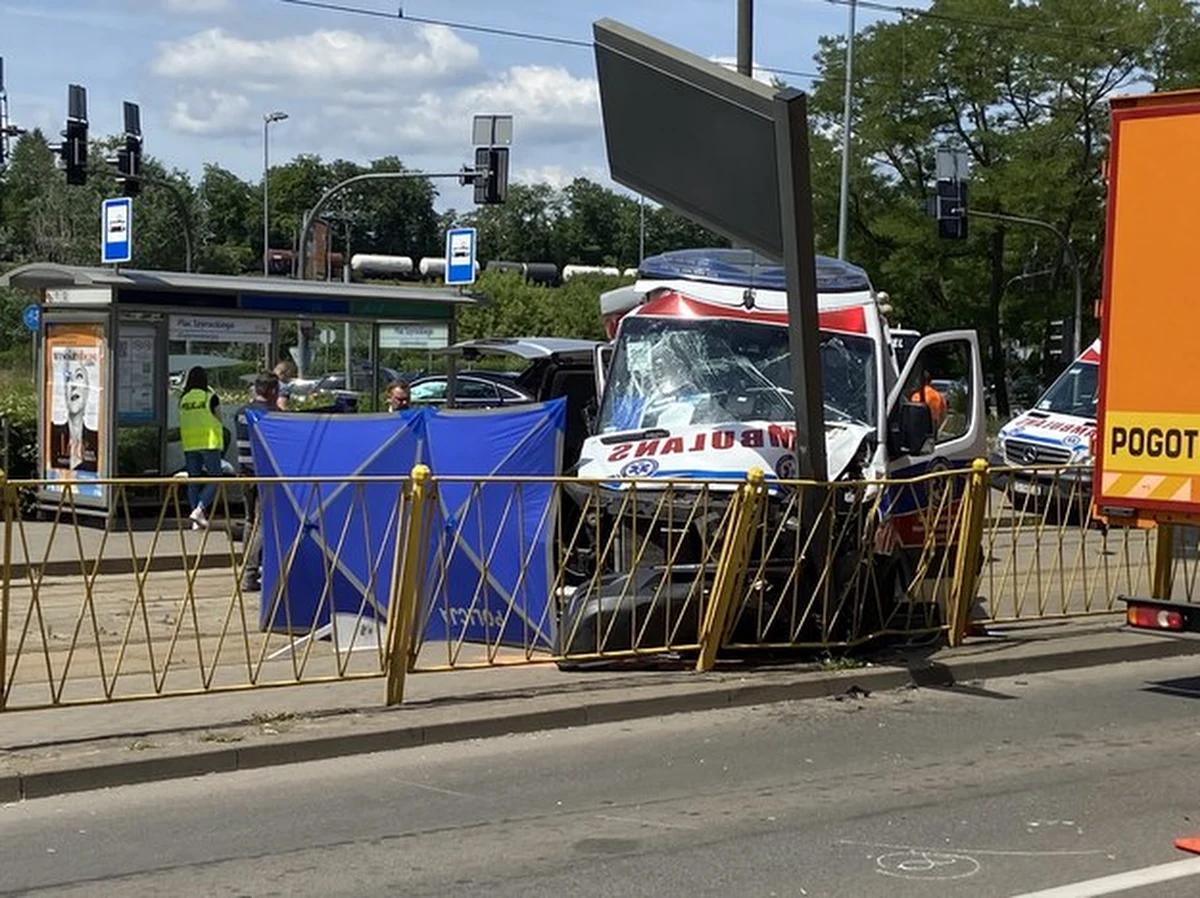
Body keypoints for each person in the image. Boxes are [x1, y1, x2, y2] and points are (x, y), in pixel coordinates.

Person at [235, 371, 279, 592]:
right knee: (262, 524)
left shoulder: (241, 412)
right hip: (263, 476)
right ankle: (251, 575)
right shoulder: (272, 414)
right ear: (271, 391)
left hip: (244, 474)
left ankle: (246, 568)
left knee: (250, 521)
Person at [178, 366, 223, 529]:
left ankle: (195, 518)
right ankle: (199, 509)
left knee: (193, 481)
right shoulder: (209, 396)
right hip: (209, 443)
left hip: (190, 444)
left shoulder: (184, 398)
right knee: (215, 478)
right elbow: (219, 418)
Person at [49, 360, 99, 472]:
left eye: (79, 377)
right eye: (68, 379)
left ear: (88, 390)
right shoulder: (54, 434)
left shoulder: (96, 438)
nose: (73, 385)